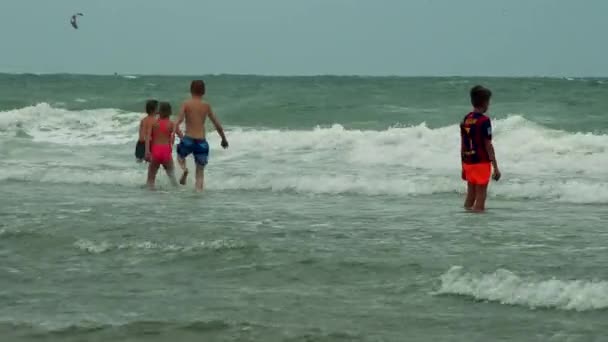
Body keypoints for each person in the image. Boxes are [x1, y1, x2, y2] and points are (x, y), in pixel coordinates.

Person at [174, 80, 229, 192]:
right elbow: (216, 124)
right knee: (200, 173)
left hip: (188, 139)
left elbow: (179, 120)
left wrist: (172, 131)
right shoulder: (206, 106)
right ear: (204, 91)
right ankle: (198, 194)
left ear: (190, 90)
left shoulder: (186, 104)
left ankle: (184, 169)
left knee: (180, 157)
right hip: (201, 142)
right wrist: (223, 139)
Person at [460, 85, 501, 212]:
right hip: (481, 162)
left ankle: (466, 218)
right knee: (481, 196)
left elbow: (464, 143)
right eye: (488, 102)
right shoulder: (484, 120)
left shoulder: (467, 118)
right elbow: (488, 145)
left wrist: (463, 166)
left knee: (471, 194)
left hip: (468, 161)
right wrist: (496, 167)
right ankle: (478, 227)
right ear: (484, 103)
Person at [145, 102, 179, 190]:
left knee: (150, 179)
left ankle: (149, 199)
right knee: (172, 178)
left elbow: (148, 138)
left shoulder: (153, 123)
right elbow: (182, 137)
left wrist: (147, 152)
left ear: (158, 112)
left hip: (155, 151)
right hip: (166, 152)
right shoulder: (172, 124)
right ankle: (178, 194)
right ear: (170, 112)